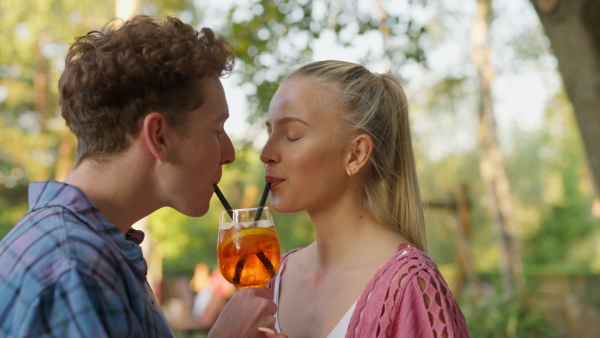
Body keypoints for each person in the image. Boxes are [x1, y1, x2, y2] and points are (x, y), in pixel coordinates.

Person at [0, 15, 283, 338]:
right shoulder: (76, 269)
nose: (229, 153)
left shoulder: (92, 248)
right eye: (216, 130)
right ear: (159, 135)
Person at [261, 60, 470, 337]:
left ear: (356, 154)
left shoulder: (412, 286)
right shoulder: (275, 279)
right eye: (268, 133)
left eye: (292, 136)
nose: (266, 152)